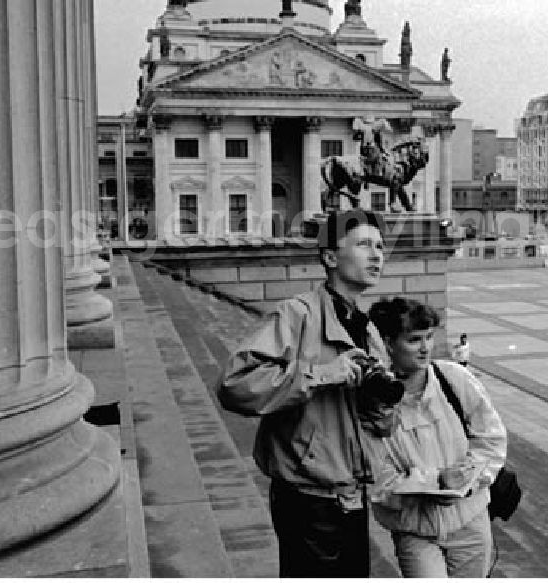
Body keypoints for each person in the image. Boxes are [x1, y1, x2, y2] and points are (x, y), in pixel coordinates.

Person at [216, 210, 399, 577]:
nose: (377, 255)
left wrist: (377, 402)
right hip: (307, 498)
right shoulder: (297, 315)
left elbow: (381, 426)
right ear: (330, 257)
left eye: (380, 246)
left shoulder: (368, 330)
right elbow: (234, 384)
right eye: (364, 245)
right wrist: (320, 375)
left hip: (353, 493)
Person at [368, 297, 507, 578]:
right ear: (388, 342)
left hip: (470, 520)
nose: (425, 348)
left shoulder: (454, 378)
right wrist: (434, 483)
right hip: (414, 529)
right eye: (414, 339)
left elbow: (491, 438)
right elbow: (373, 474)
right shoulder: (371, 399)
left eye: (429, 337)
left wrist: (468, 480)